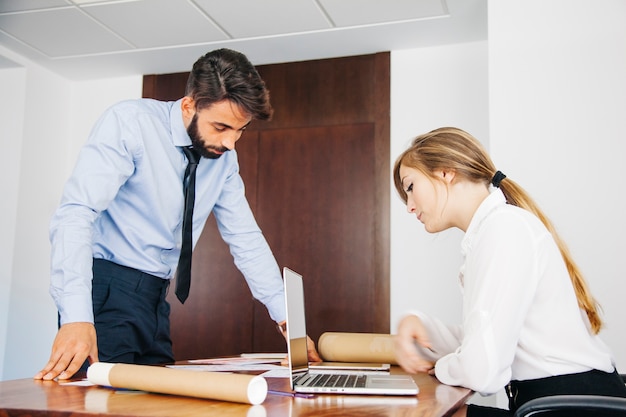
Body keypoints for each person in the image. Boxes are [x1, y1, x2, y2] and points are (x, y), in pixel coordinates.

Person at [35, 48, 319, 381]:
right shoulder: (131, 123)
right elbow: (76, 213)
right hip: (107, 289)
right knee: (98, 405)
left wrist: (287, 319)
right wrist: (75, 317)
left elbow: (245, 237)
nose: (230, 143)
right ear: (189, 105)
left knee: (159, 403)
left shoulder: (224, 160)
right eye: (221, 127)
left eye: (240, 130)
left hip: (156, 297)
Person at [392, 127, 626, 416]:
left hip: (569, 407)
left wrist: (440, 367)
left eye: (410, 186)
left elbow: (482, 373)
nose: (409, 206)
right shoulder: (496, 230)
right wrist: (421, 327)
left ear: (445, 172)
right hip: (554, 402)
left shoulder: (503, 230)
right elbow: (483, 340)